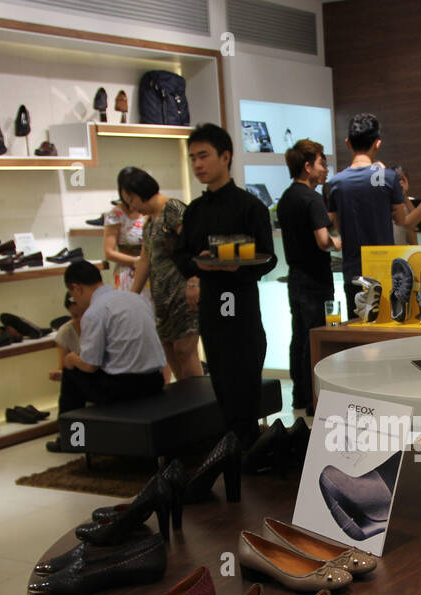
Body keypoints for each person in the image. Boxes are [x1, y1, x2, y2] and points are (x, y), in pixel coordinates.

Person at [172, 122, 278, 446]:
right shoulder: (194, 211)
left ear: (226, 156)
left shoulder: (251, 206)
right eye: (192, 158)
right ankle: (231, 449)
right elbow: (181, 255)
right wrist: (197, 267)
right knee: (219, 378)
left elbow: (269, 259)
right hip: (213, 306)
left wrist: (235, 267)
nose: (197, 165)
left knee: (245, 379)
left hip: (241, 303)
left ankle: (247, 449)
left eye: (203, 156)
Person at [50, 259, 166, 450]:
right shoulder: (136, 298)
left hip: (124, 389)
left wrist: (71, 359)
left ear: (76, 288)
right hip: (155, 381)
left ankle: (69, 439)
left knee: (71, 374)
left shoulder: (94, 312)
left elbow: (90, 365)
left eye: (72, 295)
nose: (75, 301)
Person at [326, 113, 415, 316]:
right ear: (377, 143)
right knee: (386, 335)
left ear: (348, 143)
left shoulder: (336, 183)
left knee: (358, 331)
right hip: (385, 272)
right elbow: (402, 220)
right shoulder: (387, 177)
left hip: (353, 272)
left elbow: (337, 227)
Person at [119, 166, 201, 381]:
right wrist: (132, 295)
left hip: (183, 294)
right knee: (171, 353)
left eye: (130, 201)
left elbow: (193, 245)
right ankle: (187, 405)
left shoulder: (172, 208)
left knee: (185, 351)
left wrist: (194, 281)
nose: (132, 207)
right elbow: (146, 260)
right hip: (163, 300)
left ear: (137, 193)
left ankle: (198, 406)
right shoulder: (150, 222)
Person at [278, 139, 340, 415]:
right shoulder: (312, 199)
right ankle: (316, 401)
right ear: (307, 166)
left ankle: (299, 397)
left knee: (299, 337)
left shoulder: (286, 198)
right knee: (316, 338)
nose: (325, 169)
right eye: (321, 163)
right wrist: (339, 243)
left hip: (295, 277)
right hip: (316, 279)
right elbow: (322, 240)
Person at [102, 199, 145, 291]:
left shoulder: (150, 210)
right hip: (129, 270)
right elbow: (109, 253)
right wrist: (139, 262)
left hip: (153, 269)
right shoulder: (115, 214)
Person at [49, 292, 81, 382]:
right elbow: (63, 370)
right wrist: (59, 375)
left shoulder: (99, 326)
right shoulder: (65, 333)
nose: (80, 320)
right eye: (75, 316)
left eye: (84, 314)